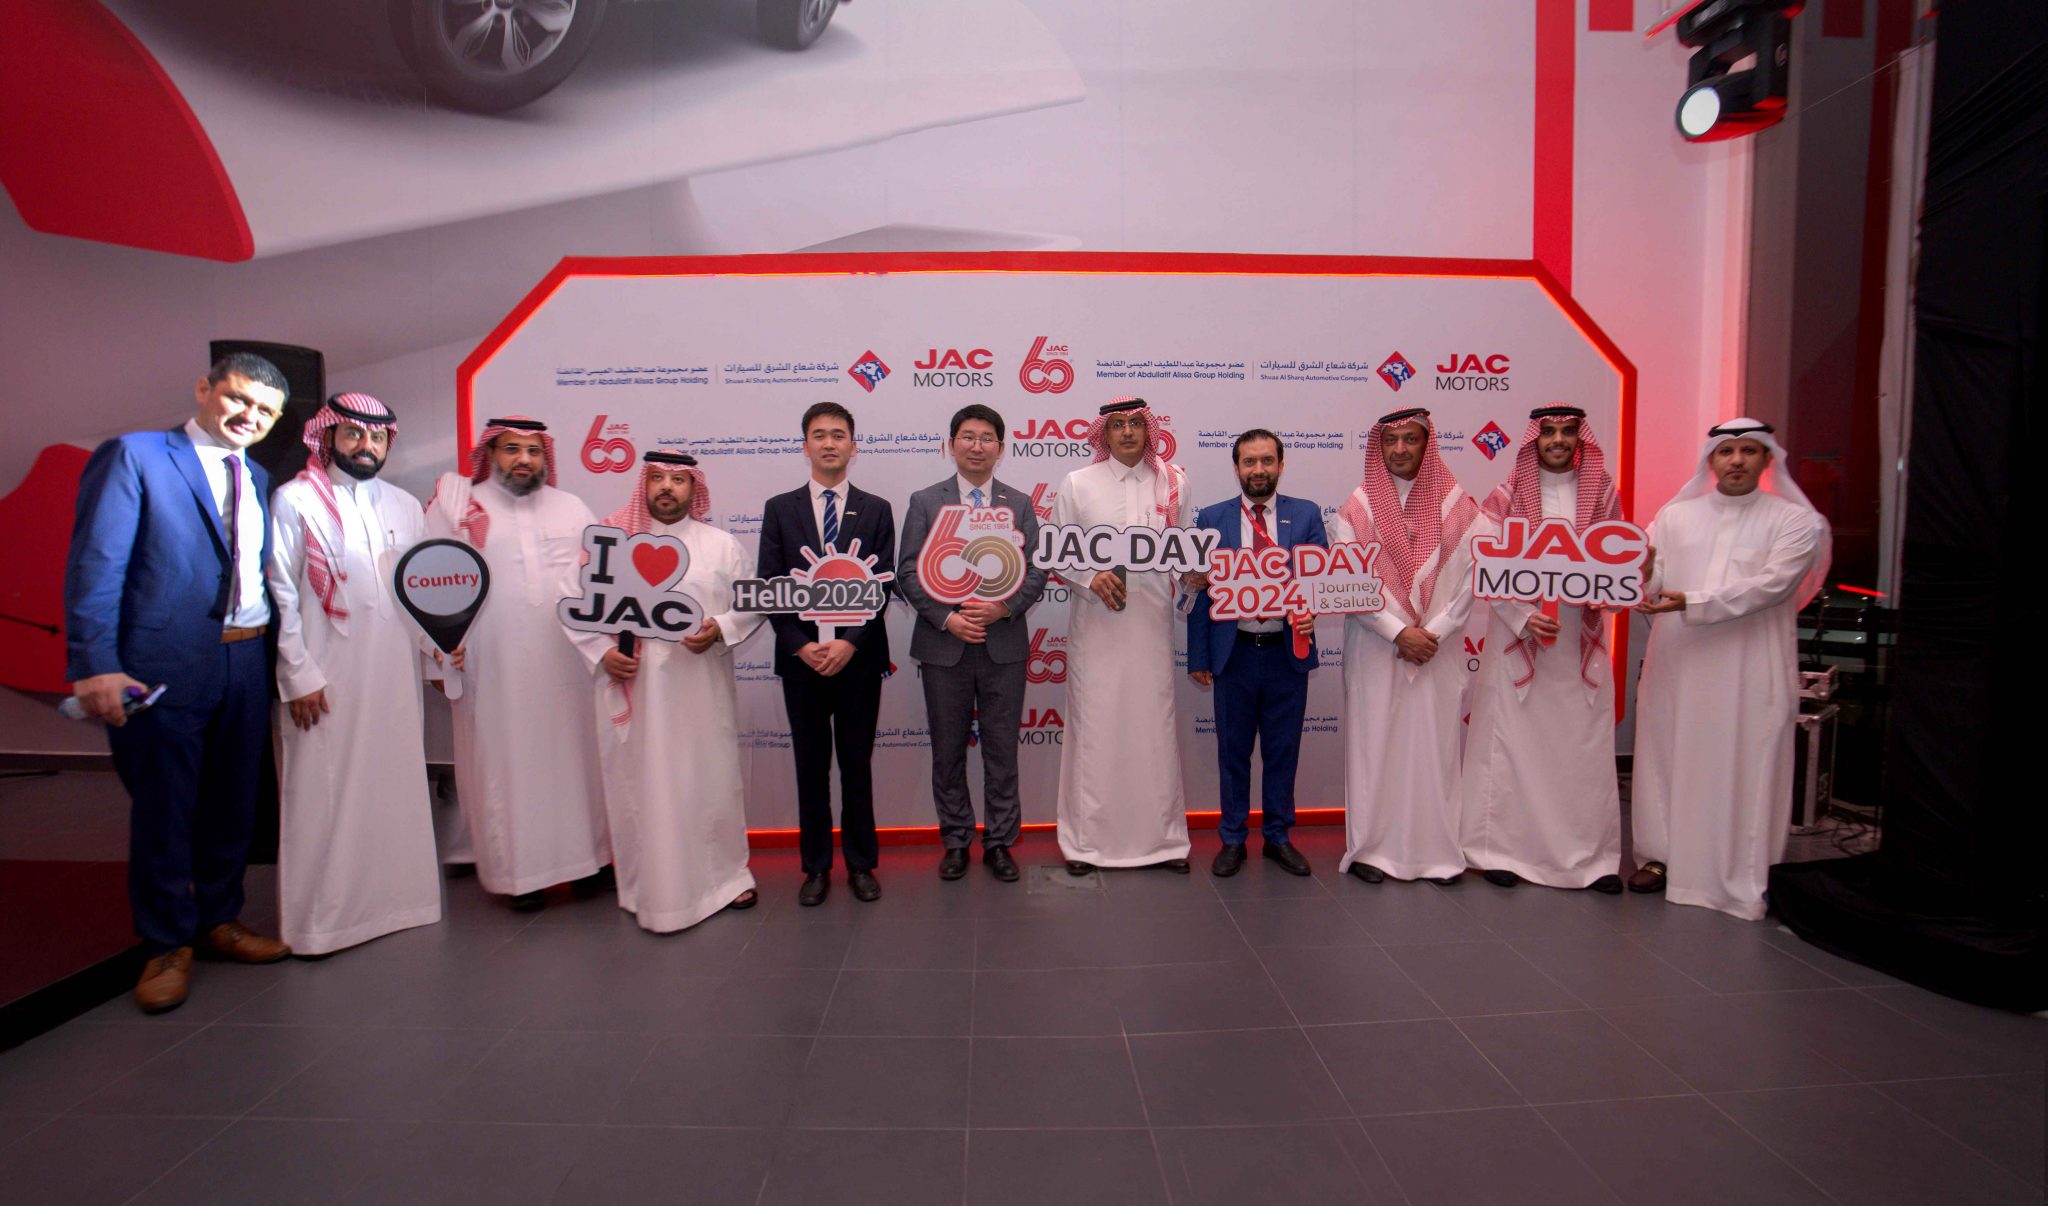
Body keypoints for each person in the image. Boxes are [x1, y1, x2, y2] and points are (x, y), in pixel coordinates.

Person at [66, 352, 294, 1012]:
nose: (250, 416)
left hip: (245, 661)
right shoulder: (136, 456)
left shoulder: (256, 474)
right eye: (239, 398)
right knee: (166, 806)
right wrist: (94, 663)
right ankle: (166, 942)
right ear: (204, 388)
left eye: (266, 411)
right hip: (160, 664)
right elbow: (97, 564)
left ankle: (219, 919)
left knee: (234, 802)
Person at [1630, 418, 1830, 920]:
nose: (1736, 460)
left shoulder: (1794, 521)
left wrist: (1691, 601)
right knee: (1668, 755)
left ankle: (1739, 870)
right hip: (1679, 661)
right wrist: (1642, 575)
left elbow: (1775, 585)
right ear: (1711, 460)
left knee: (1743, 759)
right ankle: (1660, 856)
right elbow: (1651, 580)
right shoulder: (1675, 516)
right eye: (1726, 452)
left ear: (1767, 459)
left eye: (1748, 451)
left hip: (1749, 666)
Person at [267, 392, 443, 954]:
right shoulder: (295, 501)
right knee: (323, 794)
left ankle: (399, 904)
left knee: (393, 787)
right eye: (354, 434)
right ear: (328, 436)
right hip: (326, 676)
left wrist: (440, 648)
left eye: (378, 437)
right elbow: (280, 595)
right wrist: (298, 675)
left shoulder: (405, 506)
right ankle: (321, 925)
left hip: (393, 674)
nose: (367, 446)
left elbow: (420, 591)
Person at [571, 451, 765, 931]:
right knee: (643, 786)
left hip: (700, 691)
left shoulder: (720, 545)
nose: (667, 488)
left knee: (709, 781)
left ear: (693, 488)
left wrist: (719, 628)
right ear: (643, 484)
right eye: (657, 478)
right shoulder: (612, 541)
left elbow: (752, 602)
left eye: (678, 480)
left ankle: (726, 879)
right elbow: (577, 602)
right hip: (636, 689)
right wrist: (602, 653)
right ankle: (649, 889)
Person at [424, 417, 610, 910]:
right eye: (511, 449)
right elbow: (428, 583)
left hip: (569, 661)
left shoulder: (572, 507)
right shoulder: (461, 508)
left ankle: (589, 862)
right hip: (493, 663)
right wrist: (440, 650)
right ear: (491, 453)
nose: (524, 459)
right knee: (505, 763)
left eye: (533, 450)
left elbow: (602, 581)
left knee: (579, 759)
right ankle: (520, 876)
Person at [1457, 405, 1626, 894]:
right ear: (1534, 439)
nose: (1557, 440)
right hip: (1518, 638)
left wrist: (1606, 593)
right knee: (1512, 745)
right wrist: (1522, 617)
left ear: (1580, 439)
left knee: (1580, 749)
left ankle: (1590, 860)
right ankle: (1499, 852)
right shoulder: (1506, 496)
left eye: (1567, 432)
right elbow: (1484, 565)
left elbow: (1618, 565)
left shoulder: (1602, 494)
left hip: (1578, 640)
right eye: (1548, 432)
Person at [1332, 407, 1485, 886]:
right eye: (1390, 440)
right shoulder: (1356, 508)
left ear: (1426, 443)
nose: (1399, 449)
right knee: (1375, 748)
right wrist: (1398, 632)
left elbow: (1474, 578)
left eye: (1410, 439)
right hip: (1376, 647)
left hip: (1438, 647)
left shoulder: (1460, 507)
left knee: (1434, 751)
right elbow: (1348, 583)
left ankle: (1437, 854)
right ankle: (1371, 851)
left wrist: (1433, 630)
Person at [896, 404, 1049, 883]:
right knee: (948, 751)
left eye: (986, 438)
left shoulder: (1019, 504)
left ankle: (1000, 842)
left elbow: (1038, 568)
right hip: (945, 647)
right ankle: (956, 840)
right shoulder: (926, 501)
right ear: (951, 444)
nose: (976, 446)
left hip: (1003, 645)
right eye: (968, 437)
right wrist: (947, 618)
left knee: (1002, 750)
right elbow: (907, 571)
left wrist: (1004, 608)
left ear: (1001, 448)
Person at [758, 402, 896, 906]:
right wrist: (800, 645)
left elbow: (882, 585)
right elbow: (771, 586)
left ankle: (861, 864)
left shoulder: (877, 508)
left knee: (857, 766)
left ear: (853, 447)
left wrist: (848, 642)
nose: (830, 443)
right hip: (802, 664)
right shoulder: (780, 508)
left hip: (858, 660)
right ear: (805, 446)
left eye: (839, 434)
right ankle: (815, 867)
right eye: (819, 435)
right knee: (811, 768)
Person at [1050, 396, 1193, 875]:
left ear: (1149, 430)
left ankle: (1163, 842)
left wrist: (1195, 577)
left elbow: (1185, 554)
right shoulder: (1078, 483)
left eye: (1135, 423)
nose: (1128, 432)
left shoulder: (1173, 482)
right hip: (1098, 631)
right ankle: (1086, 845)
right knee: (1096, 732)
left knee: (1154, 731)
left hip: (1151, 629)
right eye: (1117, 424)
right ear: (1104, 433)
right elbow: (1058, 550)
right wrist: (1089, 577)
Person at [1186, 429, 1325, 877]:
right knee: (1233, 752)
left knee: (1283, 751)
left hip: (1287, 654)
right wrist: (1199, 657)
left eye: (1267, 460)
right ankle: (1232, 839)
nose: (1259, 469)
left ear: (1281, 465)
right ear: (1237, 468)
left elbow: (1321, 580)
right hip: (1235, 654)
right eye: (1250, 462)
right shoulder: (1212, 518)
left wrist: (1312, 611)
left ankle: (1278, 837)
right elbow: (1199, 592)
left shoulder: (1306, 515)